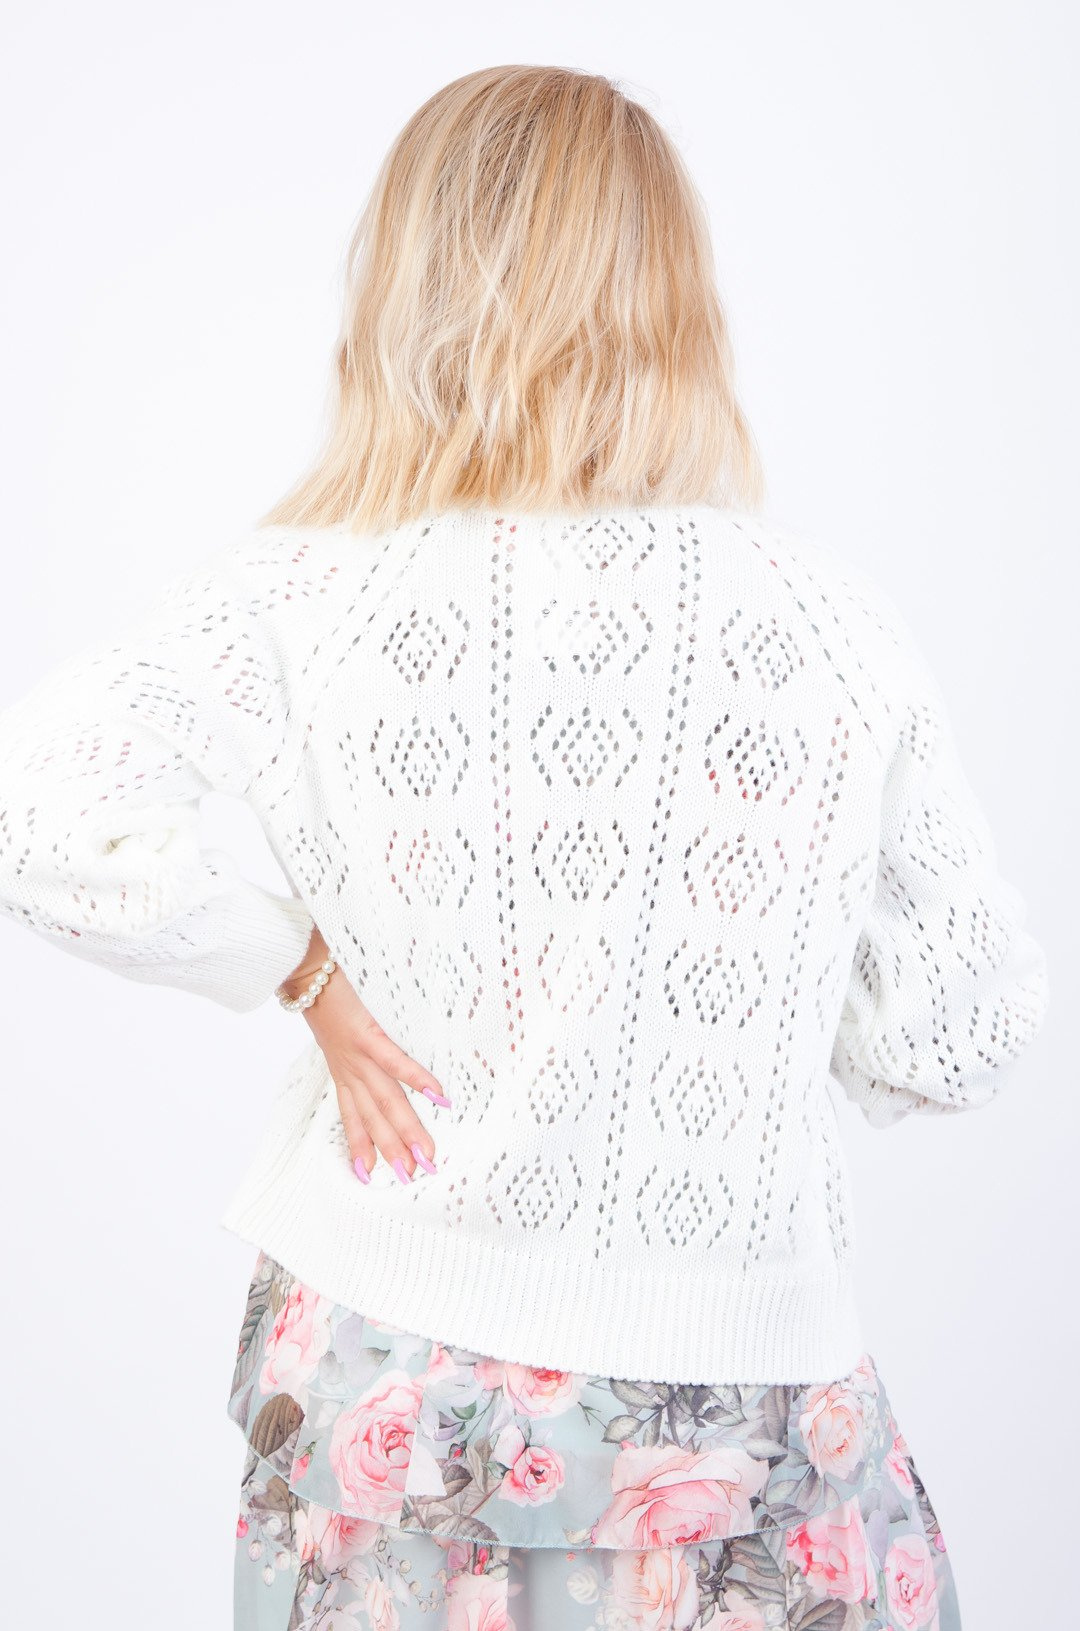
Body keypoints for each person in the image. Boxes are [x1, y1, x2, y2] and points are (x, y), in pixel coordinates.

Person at [0, 63, 1048, 1631]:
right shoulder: (834, 632)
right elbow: (953, 1043)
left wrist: (300, 968)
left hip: (394, 1392)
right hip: (745, 1424)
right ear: (675, 299)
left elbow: (35, 813)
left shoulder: (309, 594)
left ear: (407, 286)